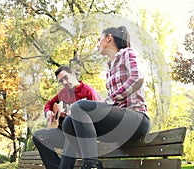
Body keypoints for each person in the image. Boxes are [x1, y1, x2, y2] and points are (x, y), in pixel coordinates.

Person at [61, 26, 151, 169]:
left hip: (136, 119)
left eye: (99, 39)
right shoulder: (109, 68)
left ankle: (91, 165)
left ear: (109, 37)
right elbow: (111, 106)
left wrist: (110, 100)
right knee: (69, 122)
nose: (97, 44)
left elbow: (138, 78)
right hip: (118, 125)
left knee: (79, 107)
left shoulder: (127, 53)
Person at [32, 65, 100, 169]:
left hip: (79, 135)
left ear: (73, 75)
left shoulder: (88, 91)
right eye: (61, 81)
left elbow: (97, 116)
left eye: (66, 78)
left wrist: (75, 116)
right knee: (38, 136)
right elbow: (49, 104)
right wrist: (49, 112)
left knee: (70, 131)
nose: (64, 82)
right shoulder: (63, 93)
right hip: (62, 133)